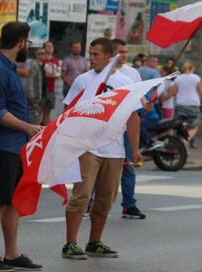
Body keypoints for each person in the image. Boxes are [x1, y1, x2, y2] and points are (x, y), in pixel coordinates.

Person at [62, 37, 143, 259]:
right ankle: (70, 244)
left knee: (106, 199)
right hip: (87, 148)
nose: (92, 58)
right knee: (81, 196)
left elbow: (133, 117)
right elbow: (68, 112)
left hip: (114, 150)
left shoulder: (126, 82)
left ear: (109, 57)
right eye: (90, 54)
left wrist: (134, 150)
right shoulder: (82, 80)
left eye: (96, 54)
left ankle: (94, 243)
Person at [0, 21, 43, 271]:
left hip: (15, 145)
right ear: (21, 43)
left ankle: (12, 254)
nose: (28, 46)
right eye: (28, 42)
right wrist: (27, 127)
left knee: (12, 201)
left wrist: (29, 130)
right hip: (1, 145)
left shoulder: (8, 67)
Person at [112, 38, 148, 219]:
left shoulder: (132, 73)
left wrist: (146, 104)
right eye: (121, 51)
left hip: (127, 127)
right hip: (108, 128)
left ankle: (129, 205)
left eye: (126, 51)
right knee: (100, 167)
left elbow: (139, 95)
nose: (125, 55)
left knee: (128, 166)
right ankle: (89, 202)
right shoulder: (102, 73)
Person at [169, 60, 202, 151]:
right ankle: (185, 141)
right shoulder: (196, 78)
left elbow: (173, 92)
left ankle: (183, 151)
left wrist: (181, 95)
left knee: (181, 128)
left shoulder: (178, 78)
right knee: (194, 127)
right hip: (193, 105)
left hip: (180, 105)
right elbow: (201, 93)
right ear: (192, 68)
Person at [41, 41, 60, 125]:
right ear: (44, 48)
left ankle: (44, 133)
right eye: (48, 46)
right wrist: (50, 74)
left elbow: (58, 74)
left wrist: (50, 74)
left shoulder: (55, 60)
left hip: (51, 90)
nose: (50, 47)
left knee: (47, 113)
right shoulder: (41, 59)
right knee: (38, 113)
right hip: (41, 90)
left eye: (51, 45)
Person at [26, 47, 47, 125]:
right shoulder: (34, 64)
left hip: (41, 96)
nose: (44, 55)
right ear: (36, 55)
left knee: (39, 118)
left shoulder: (42, 65)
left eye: (44, 53)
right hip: (35, 97)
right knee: (34, 120)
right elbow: (30, 80)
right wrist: (31, 96)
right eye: (42, 53)